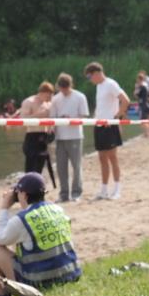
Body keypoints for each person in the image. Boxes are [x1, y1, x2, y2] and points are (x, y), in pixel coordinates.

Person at [0, 171, 82, 296]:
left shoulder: (22, 219)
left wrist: (4, 207)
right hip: (69, 274)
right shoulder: (58, 209)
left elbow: (1, 239)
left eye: (19, 192)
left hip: (40, 282)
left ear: (25, 195)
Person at [85, 62, 130, 199]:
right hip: (99, 125)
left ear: (97, 73)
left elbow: (125, 100)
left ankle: (117, 190)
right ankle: (104, 190)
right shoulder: (99, 86)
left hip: (110, 126)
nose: (89, 80)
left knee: (112, 157)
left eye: (89, 76)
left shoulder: (111, 84)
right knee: (102, 158)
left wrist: (117, 117)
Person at [49, 73, 90, 202]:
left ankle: (76, 193)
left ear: (70, 86)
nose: (64, 91)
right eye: (61, 88)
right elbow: (52, 118)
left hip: (75, 136)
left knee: (76, 166)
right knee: (61, 167)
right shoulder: (56, 99)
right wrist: (53, 128)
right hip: (60, 137)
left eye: (66, 88)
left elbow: (84, 116)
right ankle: (63, 194)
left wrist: (71, 119)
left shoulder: (80, 96)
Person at [18, 82, 54, 174]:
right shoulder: (29, 102)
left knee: (40, 166)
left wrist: (51, 131)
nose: (49, 98)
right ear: (43, 92)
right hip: (32, 136)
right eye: (48, 95)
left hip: (44, 137)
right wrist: (38, 115)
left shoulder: (48, 104)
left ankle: (37, 187)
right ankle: (28, 186)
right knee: (30, 167)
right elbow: (22, 120)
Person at [135, 71, 149, 138]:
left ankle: (147, 134)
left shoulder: (141, 86)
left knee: (143, 120)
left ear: (139, 79)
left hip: (143, 105)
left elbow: (136, 95)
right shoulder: (146, 85)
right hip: (147, 104)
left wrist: (136, 90)